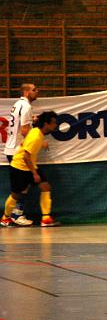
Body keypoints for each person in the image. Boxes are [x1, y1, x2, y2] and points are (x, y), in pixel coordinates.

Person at [2, 111, 58, 227]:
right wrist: (34, 174)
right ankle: (5, 218)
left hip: (29, 166)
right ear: (46, 124)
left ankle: (46, 218)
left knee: (45, 187)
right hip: (20, 167)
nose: (55, 125)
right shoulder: (36, 136)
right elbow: (26, 156)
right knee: (16, 195)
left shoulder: (37, 133)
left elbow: (24, 143)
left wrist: (42, 144)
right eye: (53, 123)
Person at [3, 83, 39, 226]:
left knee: (23, 186)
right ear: (26, 92)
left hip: (11, 148)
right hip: (18, 150)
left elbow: (21, 124)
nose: (37, 91)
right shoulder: (26, 106)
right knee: (21, 187)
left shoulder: (17, 104)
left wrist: (32, 121)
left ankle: (12, 215)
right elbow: (24, 131)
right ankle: (16, 215)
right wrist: (38, 140)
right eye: (34, 90)